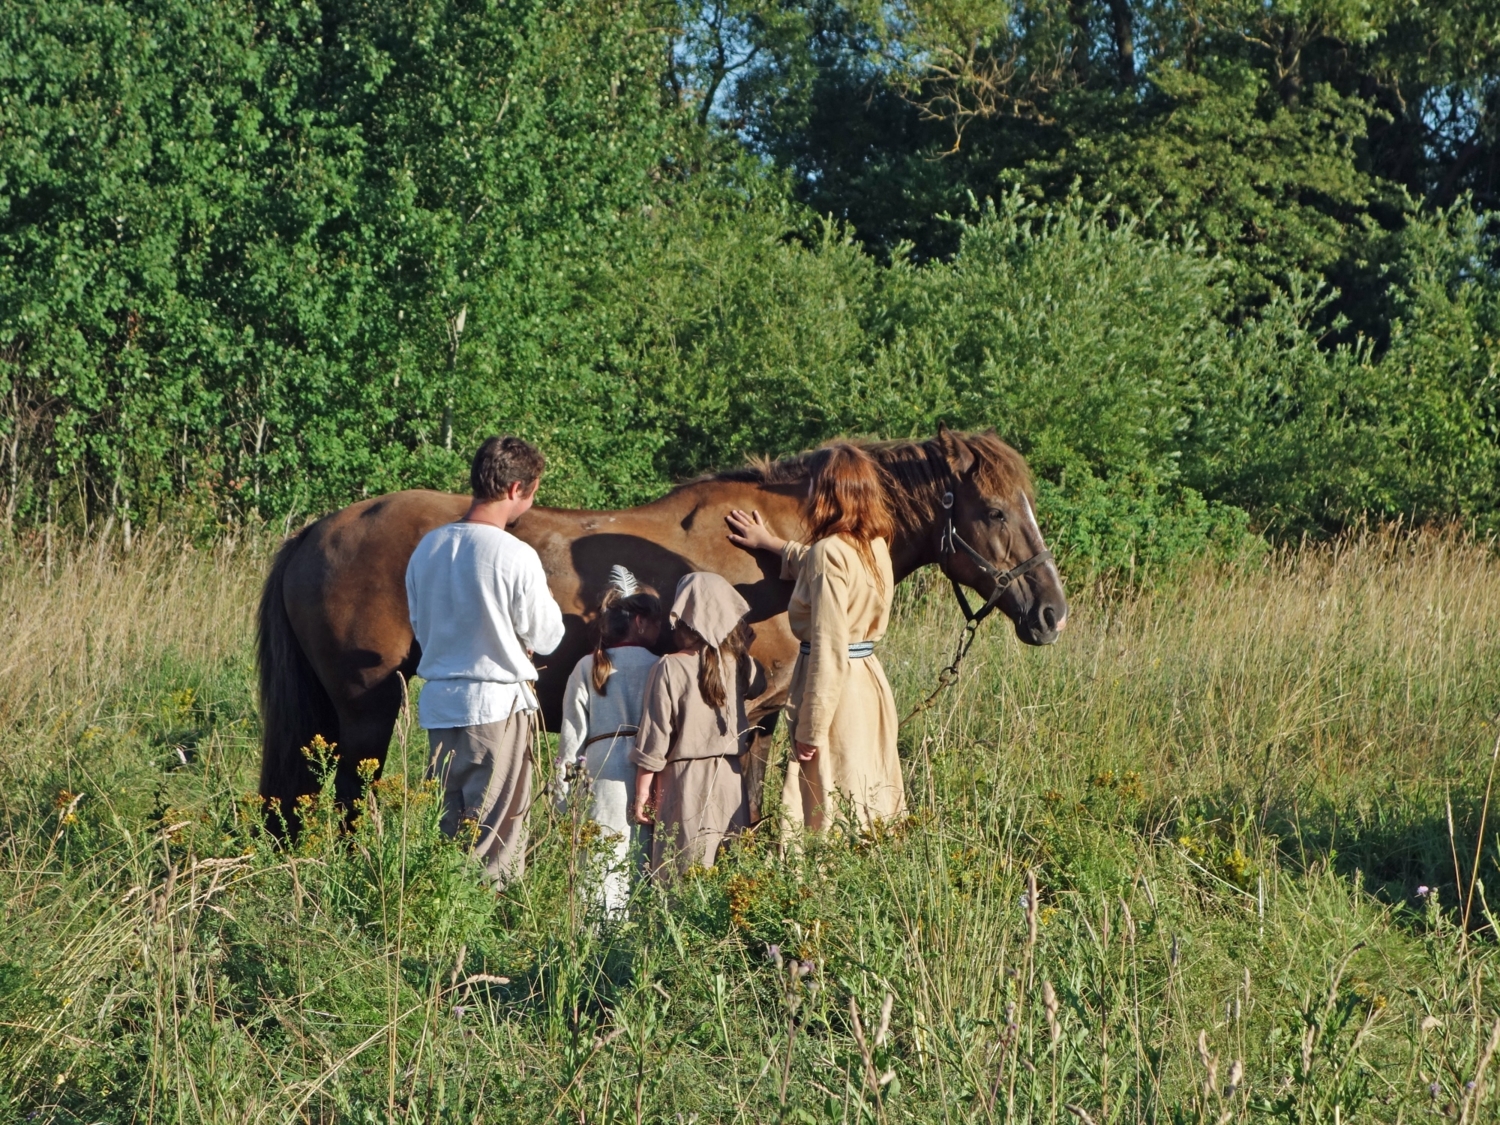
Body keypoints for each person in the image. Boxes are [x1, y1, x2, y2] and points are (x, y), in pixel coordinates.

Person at [405, 435, 565, 885]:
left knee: (447, 826)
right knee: (494, 836)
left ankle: (442, 919)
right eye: (533, 492)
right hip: (495, 704)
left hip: (439, 703)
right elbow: (548, 636)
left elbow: (421, 626)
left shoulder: (428, 548)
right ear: (516, 489)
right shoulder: (515, 554)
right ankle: (478, 937)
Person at [724, 442, 901, 833]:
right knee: (865, 797)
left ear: (826, 493)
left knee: (825, 805)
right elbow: (823, 564)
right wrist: (771, 544)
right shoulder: (875, 545)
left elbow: (829, 650)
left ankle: (820, 890)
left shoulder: (827, 553)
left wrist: (811, 728)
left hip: (836, 691)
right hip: (867, 683)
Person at [630, 572, 765, 880]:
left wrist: (642, 794)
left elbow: (655, 738)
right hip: (730, 780)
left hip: (683, 781)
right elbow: (759, 687)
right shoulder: (738, 663)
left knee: (681, 872)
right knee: (728, 872)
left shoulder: (668, 666)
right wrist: (743, 651)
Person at [555, 566, 663, 914]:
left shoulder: (586, 666)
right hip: (651, 769)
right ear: (642, 622)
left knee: (600, 867)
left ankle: (598, 946)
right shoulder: (661, 666)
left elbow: (570, 742)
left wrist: (561, 799)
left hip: (600, 772)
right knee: (646, 861)